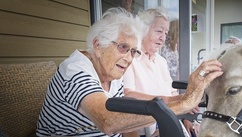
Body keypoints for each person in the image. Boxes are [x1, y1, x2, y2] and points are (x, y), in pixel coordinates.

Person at [36, 7, 223, 136]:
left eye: (134, 51)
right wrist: (186, 102)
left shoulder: (112, 73)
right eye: (123, 47)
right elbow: (108, 121)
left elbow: (124, 125)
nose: (129, 58)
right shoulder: (75, 69)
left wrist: (186, 99)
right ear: (98, 45)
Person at [123, 8, 200, 137]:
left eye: (166, 33)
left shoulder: (161, 62)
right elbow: (128, 94)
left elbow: (172, 93)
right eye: (159, 31)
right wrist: (175, 100)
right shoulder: (130, 59)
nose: (163, 38)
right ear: (143, 30)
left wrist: (185, 116)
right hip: (143, 130)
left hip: (168, 124)